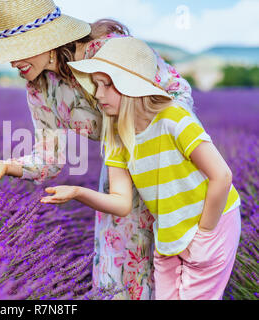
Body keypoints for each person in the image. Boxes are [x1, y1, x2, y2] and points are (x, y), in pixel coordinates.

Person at [0, 0, 196, 299]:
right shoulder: (39, 87)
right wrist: (6, 166)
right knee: (119, 278)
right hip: (118, 174)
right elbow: (48, 161)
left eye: (17, 49)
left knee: (175, 270)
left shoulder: (108, 52)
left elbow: (177, 91)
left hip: (167, 167)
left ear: (47, 40)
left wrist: (155, 143)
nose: (12, 62)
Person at [40, 36, 241, 300]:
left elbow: (222, 176)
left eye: (107, 85)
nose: (98, 94)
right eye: (97, 85)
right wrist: (78, 192)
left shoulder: (174, 118)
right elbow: (122, 203)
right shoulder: (116, 137)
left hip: (212, 225)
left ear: (131, 86)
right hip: (169, 235)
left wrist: (203, 235)